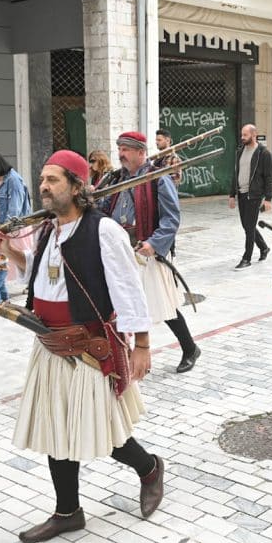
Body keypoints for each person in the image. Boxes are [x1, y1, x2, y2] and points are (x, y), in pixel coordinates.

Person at [0, 150, 163, 543]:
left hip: (90, 346)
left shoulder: (103, 231)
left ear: (77, 186)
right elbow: (38, 272)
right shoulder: (49, 229)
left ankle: (150, 468)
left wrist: (142, 345)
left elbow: (129, 290)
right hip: (50, 344)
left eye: (53, 180)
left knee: (107, 432)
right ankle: (67, 512)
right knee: (57, 429)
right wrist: (7, 251)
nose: (44, 186)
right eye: (42, 179)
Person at [98, 131, 201, 373]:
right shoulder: (115, 179)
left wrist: (154, 244)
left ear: (140, 152)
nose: (121, 153)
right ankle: (126, 355)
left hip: (146, 251)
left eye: (126, 149)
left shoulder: (158, 178)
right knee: (123, 304)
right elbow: (104, 208)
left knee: (161, 305)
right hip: (119, 250)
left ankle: (190, 348)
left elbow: (171, 218)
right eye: (120, 148)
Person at [228, 124, 272, 269]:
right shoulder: (239, 152)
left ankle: (246, 258)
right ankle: (264, 248)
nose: (242, 138)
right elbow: (235, 174)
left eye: (245, 135)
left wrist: (268, 199)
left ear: (254, 135)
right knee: (247, 225)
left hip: (254, 195)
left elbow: (269, 177)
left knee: (249, 227)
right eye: (242, 135)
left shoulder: (263, 153)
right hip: (241, 193)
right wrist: (232, 194)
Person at [0, 151, 34, 271]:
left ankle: (31, 282)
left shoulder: (13, 180)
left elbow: (14, 208)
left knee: (19, 254)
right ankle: (0, 287)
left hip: (14, 224)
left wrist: (4, 227)